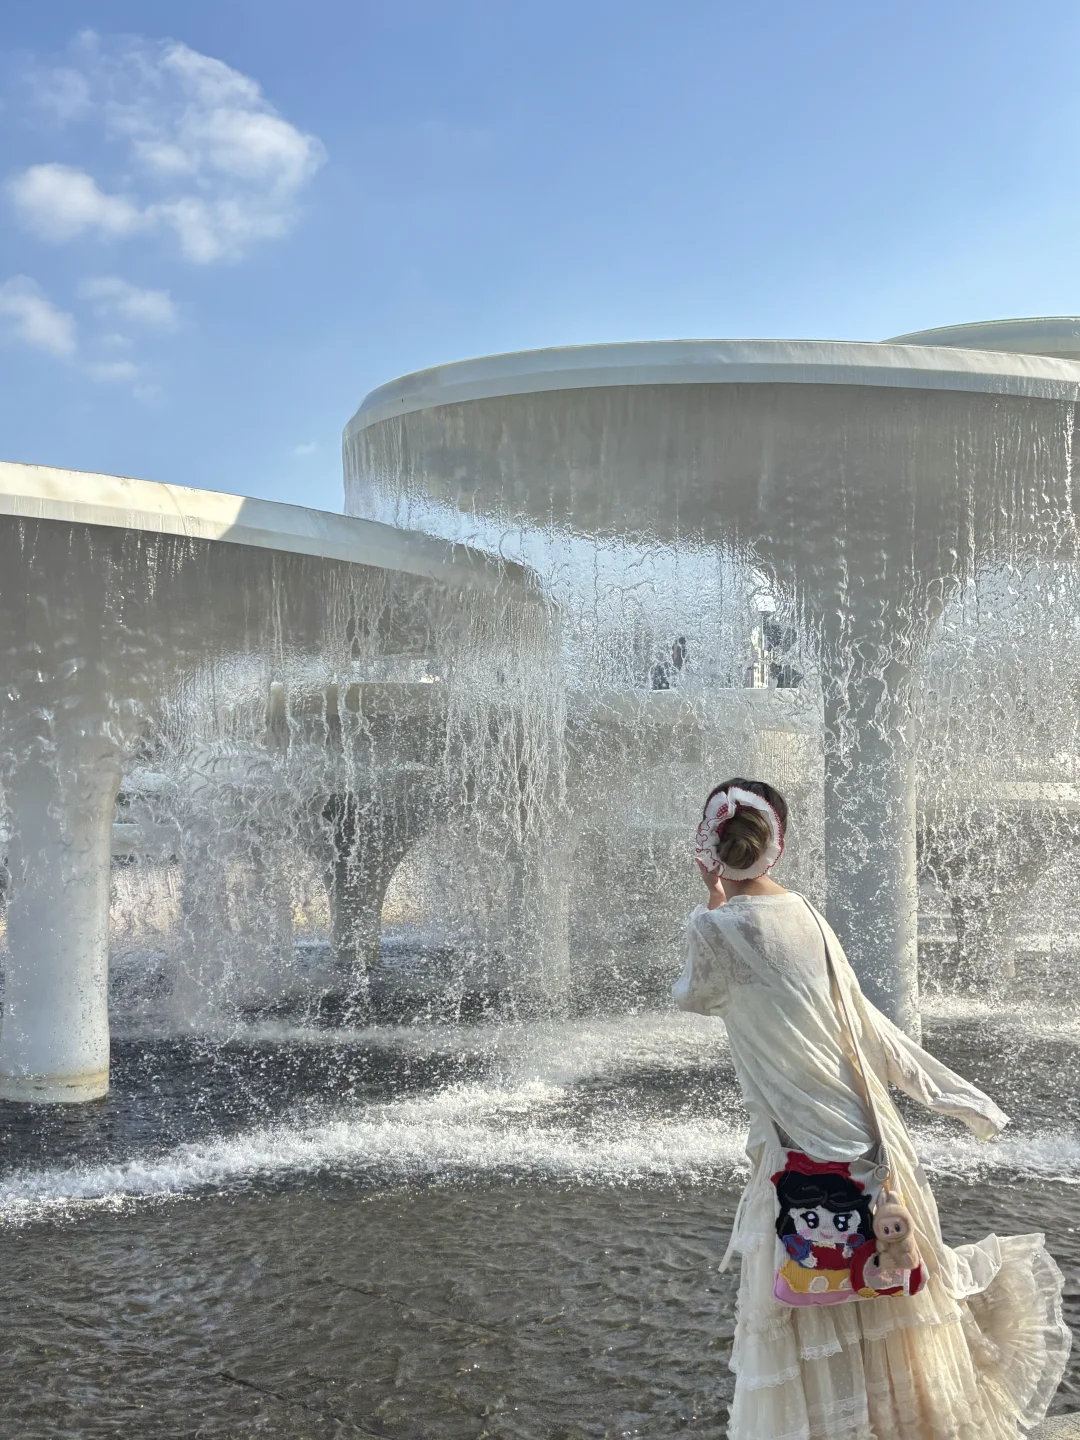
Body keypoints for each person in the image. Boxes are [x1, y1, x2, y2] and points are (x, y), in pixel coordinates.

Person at [673, 778, 1071, 1440]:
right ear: (779, 845)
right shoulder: (808, 917)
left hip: (796, 1150)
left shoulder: (712, 930)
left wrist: (711, 896)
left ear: (710, 848)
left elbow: (696, 994)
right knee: (886, 1297)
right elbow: (869, 1029)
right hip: (869, 1142)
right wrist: (956, 1099)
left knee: (813, 1297)